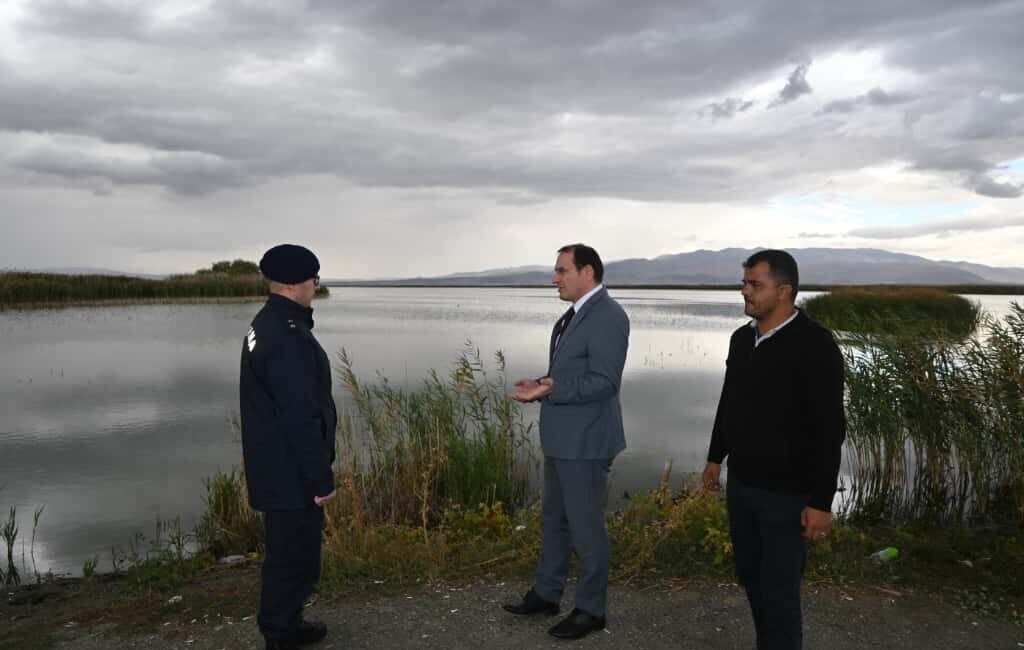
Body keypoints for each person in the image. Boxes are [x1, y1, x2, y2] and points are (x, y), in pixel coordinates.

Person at [702, 249, 845, 650]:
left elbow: (830, 429)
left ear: (784, 291)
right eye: (745, 283)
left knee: (780, 591)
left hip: (788, 494)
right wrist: (716, 458)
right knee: (750, 577)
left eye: (754, 285)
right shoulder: (741, 338)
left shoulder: (814, 345)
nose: (744, 291)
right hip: (743, 486)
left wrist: (821, 501)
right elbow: (728, 402)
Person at [503, 243, 630, 640]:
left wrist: (551, 387)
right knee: (554, 520)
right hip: (563, 439)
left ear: (587, 272)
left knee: (586, 529)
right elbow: (573, 372)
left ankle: (592, 610)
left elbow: (604, 382)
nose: (554, 278)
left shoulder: (608, 316)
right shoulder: (575, 315)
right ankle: (547, 593)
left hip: (587, 443)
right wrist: (543, 382)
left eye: (561, 270)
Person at [240, 244, 337, 650]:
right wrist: (320, 478)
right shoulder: (288, 336)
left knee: (288, 554)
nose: (317, 284)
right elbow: (299, 416)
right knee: (294, 558)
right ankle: (281, 633)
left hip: (276, 465)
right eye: (315, 277)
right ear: (300, 282)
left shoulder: (268, 322)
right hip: (291, 472)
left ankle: (285, 623)